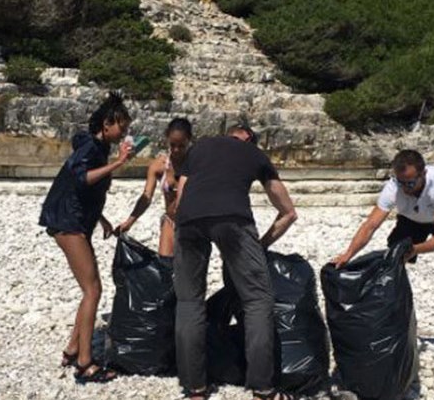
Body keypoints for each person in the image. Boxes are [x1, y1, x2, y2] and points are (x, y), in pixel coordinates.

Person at [173, 124, 298, 400]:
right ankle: (264, 390)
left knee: (188, 301)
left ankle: (195, 388)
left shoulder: (199, 149)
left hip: (188, 222)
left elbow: (180, 197)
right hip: (233, 220)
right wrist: (260, 245)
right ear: (249, 139)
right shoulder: (253, 154)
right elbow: (288, 212)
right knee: (257, 300)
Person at [331, 149, 434, 365]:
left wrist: (415, 249)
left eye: (410, 183)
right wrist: (348, 253)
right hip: (411, 219)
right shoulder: (394, 187)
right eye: (401, 183)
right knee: (391, 267)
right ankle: (392, 328)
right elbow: (371, 225)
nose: (405, 188)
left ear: (423, 174)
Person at [39, 92, 133, 383]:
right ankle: (85, 364)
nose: (125, 132)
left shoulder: (97, 146)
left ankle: (71, 350)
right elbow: (82, 178)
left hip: (77, 220)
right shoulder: (92, 148)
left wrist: (101, 218)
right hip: (68, 222)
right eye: (122, 126)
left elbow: (84, 189)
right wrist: (119, 164)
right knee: (93, 290)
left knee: (90, 289)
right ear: (107, 124)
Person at [115, 118, 193, 257]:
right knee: (164, 265)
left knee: (188, 273)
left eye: (181, 146)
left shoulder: (196, 163)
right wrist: (130, 222)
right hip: (170, 221)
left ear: (189, 140)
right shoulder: (159, 166)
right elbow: (146, 197)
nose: (176, 150)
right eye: (172, 145)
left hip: (192, 224)